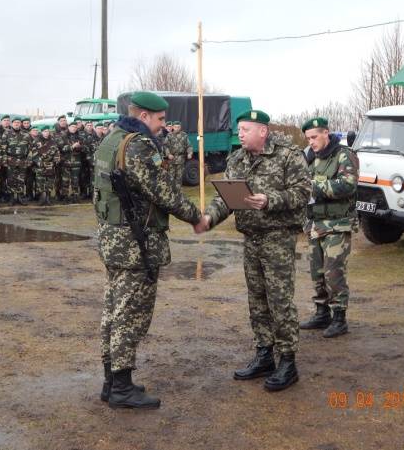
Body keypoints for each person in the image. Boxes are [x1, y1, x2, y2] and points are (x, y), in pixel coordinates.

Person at [95, 91, 202, 409]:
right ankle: (122, 388)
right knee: (130, 315)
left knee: (113, 310)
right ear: (143, 116)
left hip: (113, 238)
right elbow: (164, 192)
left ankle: (111, 382)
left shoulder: (111, 139)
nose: (163, 125)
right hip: (135, 242)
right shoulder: (139, 145)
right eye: (160, 119)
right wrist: (197, 217)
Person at [195, 110, 310, 391]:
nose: (240, 134)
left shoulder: (288, 155)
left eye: (245, 130)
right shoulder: (237, 159)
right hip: (251, 238)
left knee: (279, 300)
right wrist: (209, 218)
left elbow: (303, 192)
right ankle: (264, 353)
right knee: (257, 298)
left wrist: (271, 200)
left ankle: (288, 361)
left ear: (263, 131)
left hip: (278, 238)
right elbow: (226, 198)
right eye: (240, 130)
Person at [299, 117, 359, 337]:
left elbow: (348, 185)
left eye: (314, 137)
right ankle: (321, 313)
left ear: (326, 133)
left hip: (337, 224)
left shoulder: (344, 155)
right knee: (317, 272)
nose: (311, 142)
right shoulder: (309, 156)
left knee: (334, 273)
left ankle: (339, 318)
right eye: (308, 138)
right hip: (315, 223)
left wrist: (314, 186)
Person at [1, 116, 31, 205]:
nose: (17, 124)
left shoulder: (26, 134)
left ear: (20, 124)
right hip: (11, 159)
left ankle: (20, 197)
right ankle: (11, 198)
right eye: (15, 122)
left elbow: (30, 148)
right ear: (12, 124)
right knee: (11, 179)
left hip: (23, 160)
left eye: (18, 122)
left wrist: (29, 160)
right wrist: (4, 161)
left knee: (21, 179)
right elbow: (3, 148)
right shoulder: (6, 133)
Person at [30, 125, 60, 206]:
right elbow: (34, 153)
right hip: (40, 165)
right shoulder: (36, 141)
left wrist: (56, 161)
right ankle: (42, 198)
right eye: (45, 131)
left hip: (50, 165)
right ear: (42, 132)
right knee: (40, 182)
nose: (47, 133)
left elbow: (57, 152)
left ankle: (48, 198)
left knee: (50, 182)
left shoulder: (53, 141)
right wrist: (39, 162)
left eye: (48, 131)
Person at [163, 121, 193, 191]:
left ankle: (178, 192)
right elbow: (165, 146)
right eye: (175, 127)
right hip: (171, 160)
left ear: (180, 127)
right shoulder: (169, 135)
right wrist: (168, 154)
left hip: (180, 159)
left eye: (178, 127)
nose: (177, 128)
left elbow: (189, 146)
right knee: (171, 176)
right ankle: (171, 191)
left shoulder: (184, 135)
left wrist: (189, 153)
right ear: (173, 127)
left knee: (179, 177)